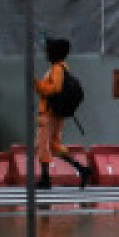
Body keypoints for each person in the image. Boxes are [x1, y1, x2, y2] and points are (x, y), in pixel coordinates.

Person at [33, 38, 91, 189]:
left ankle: (45, 179)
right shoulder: (63, 68)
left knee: (42, 145)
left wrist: (38, 85)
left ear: (54, 53)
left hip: (49, 113)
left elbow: (55, 89)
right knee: (53, 145)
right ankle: (81, 169)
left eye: (48, 51)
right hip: (56, 113)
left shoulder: (57, 69)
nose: (46, 53)